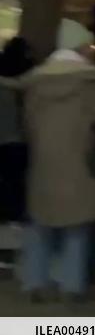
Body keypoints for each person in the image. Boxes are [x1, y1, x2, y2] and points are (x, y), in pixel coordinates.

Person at [20, 19, 95, 301]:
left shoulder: (34, 82)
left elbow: (28, 124)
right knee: (78, 226)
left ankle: (35, 282)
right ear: (81, 46)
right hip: (79, 162)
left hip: (44, 162)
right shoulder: (91, 81)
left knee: (40, 225)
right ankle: (71, 286)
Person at [0, 37, 33, 224]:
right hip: (18, 137)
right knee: (16, 182)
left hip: (5, 135)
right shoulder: (28, 80)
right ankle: (14, 216)